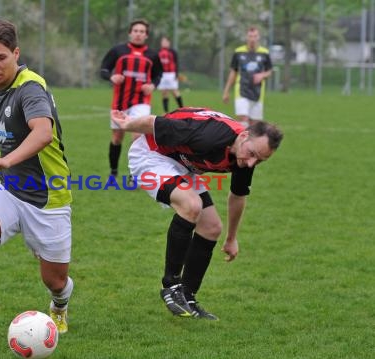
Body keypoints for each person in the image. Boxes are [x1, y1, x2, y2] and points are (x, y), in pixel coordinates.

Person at [0, 19, 74, 342]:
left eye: (1, 58)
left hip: (47, 195)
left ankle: (59, 307)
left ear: (16, 54)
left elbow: (43, 132)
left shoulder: (30, 88)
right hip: (8, 186)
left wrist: (5, 158)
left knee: (55, 281)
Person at [111, 106, 283, 320]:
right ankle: (171, 286)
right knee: (191, 205)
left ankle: (188, 297)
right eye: (252, 155)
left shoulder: (245, 154)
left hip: (183, 165)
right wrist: (127, 124)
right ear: (244, 135)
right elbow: (155, 123)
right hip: (150, 155)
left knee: (211, 227)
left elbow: (238, 196)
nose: (251, 163)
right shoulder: (209, 134)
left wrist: (231, 238)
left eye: (260, 160)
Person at [100, 19, 163, 182]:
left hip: (141, 101)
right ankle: (113, 173)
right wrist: (111, 77)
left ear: (146, 35)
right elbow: (104, 69)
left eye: (142, 31)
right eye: (135, 30)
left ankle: (134, 175)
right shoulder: (118, 51)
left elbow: (158, 75)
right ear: (130, 33)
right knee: (117, 138)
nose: (138, 34)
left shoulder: (152, 55)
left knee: (137, 137)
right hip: (120, 102)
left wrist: (152, 85)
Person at [222, 26, 273, 127]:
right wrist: (226, 91)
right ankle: (242, 142)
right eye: (250, 36)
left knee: (255, 126)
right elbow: (233, 72)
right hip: (241, 91)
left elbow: (269, 71)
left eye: (255, 36)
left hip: (258, 93)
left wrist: (262, 75)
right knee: (243, 121)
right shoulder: (238, 52)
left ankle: (250, 142)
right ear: (246, 37)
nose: (252, 39)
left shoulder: (264, 53)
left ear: (258, 37)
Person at [157, 36, 184, 113]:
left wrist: (176, 74)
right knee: (164, 92)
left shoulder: (173, 52)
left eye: (165, 41)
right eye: (162, 41)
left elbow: (176, 63)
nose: (164, 43)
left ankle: (182, 109)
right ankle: (166, 112)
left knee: (175, 91)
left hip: (171, 74)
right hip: (162, 74)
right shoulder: (158, 52)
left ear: (169, 43)